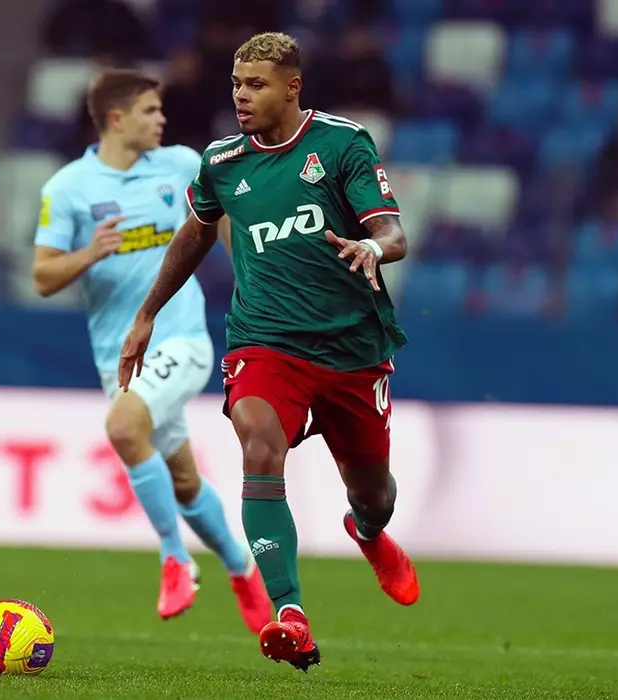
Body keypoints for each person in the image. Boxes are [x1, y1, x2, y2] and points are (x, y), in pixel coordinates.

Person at [117, 32, 419, 672]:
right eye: (236, 84)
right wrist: (146, 313)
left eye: (256, 85)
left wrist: (373, 247)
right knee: (258, 441)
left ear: (291, 87)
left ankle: (367, 531)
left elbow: (391, 230)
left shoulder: (342, 144)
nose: (242, 96)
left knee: (374, 494)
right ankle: (290, 614)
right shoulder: (223, 161)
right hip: (266, 342)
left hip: (351, 350)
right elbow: (195, 234)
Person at [31, 68, 271, 634]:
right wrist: (89, 254)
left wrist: (253, 281)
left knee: (122, 428)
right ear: (116, 119)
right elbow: (42, 276)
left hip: (181, 339)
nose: (162, 119)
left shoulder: (181, 165)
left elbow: (223, 216)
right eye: (149, 110)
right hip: (119, 359)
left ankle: (174, 559)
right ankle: (242, 570)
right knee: (183, 481)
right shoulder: (67, 189)